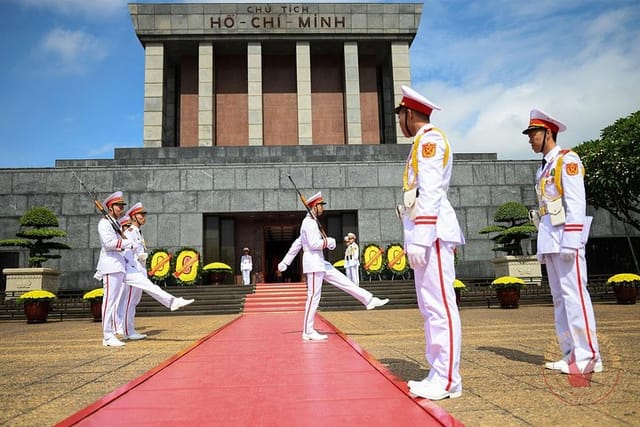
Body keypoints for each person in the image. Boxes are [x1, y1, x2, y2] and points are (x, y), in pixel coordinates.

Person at [395, 86, 465, 400]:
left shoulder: (431, 140)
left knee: (440, 307)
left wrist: (421, 237)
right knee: (429, 308)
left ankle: (449, 378)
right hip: (425, 233)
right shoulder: (422, 143)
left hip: (433, 233)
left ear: (409, 114)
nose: (398, 121)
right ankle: (439, 371)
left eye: (399, 115)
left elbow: (432, 191)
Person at [523, 109, 602, 375]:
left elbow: (576, 202)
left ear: (548, 133)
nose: (530, 139)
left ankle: (589, 355)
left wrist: (572, 240)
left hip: (566, 238)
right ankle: (571, 355)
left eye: (533, 133)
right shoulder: (544, 167)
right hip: (551, 237)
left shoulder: (568, 160)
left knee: (575, 296)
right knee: (559, 298)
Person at [278, 192, 389, 341]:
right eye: (320, 205)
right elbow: (312, 244)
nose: (322, 208)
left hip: (320, 262)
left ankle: (368, 300)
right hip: (313, 264)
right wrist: (329, 242)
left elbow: (298, 243)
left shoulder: (313, 221)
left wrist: (286, 261)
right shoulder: (309, 223)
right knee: (313, 297)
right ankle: (307, 331)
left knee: (345, 281)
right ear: (314, 206)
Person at [117, 202, 195, 341]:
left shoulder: (138, 232)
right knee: (130, 300)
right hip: (133, 269)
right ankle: (127, 331)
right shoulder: (130, 232)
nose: (143, 217)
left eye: (144, 214)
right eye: (141, 214)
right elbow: (126, 251)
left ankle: (130, 330)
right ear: (134, 216)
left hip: (140, 268)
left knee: (134, 301)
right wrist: (135, 260)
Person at [94, 191, 133, 347]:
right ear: (110, 207)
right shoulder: (104, 223)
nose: (121, 208)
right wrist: (127, 243)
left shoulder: (114, 223)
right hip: (110, 266)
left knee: (114, 301)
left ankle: (111, 333)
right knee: (109, 302)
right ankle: (107, 336)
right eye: (118, 206)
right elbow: (109, 243)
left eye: (122, 206)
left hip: (118, 265)